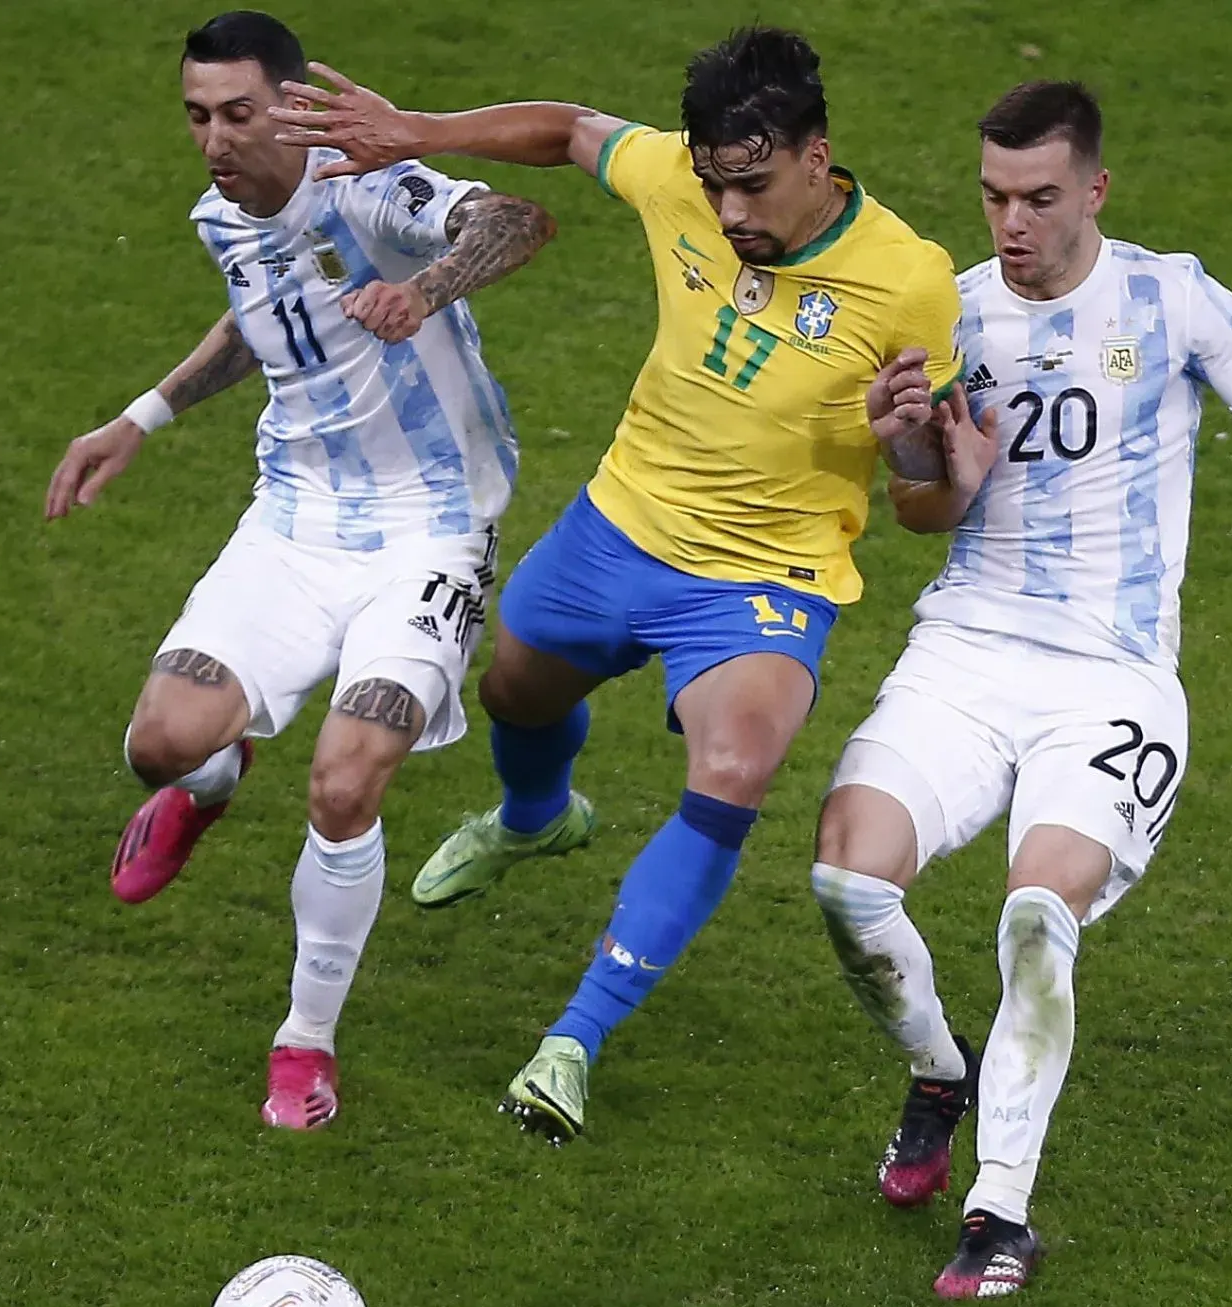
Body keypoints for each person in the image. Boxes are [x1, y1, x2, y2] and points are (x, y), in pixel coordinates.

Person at [813, 80, 1232, 1299]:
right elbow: (923, 511)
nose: (1011, 222)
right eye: (994, 197)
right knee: (846, 883)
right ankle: (937, 1070)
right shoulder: (948, 317)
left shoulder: (1173, 299)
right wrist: (916, 444)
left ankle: (998, 1211)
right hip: (965, 650)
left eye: (1039, 198)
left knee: (1032, 917)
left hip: (1109, 680)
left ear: (1095, 190)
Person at [270, 27, 964, 1142]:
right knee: (513, 691)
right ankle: (537, 818)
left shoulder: (911, 281)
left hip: (762, 577)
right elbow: (571, 131)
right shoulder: (677, 183)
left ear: (817, 155)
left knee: (734, 768)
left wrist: (912, 449)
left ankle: (572, 1040)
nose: (731, 210)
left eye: (753, 182)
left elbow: (934, 509)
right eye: (714, 182)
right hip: (618, 525)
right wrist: (418, 132)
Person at [42, 11, 554, 1131]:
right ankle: (212, 779)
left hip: (431, 528)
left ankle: (302, 1043)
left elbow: (518, 217)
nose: (217, 139)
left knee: (343, 776)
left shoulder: (367, 188)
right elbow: (260, 322)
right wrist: (143, 415)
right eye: (196, 117)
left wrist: (425, 291)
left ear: (285, 101)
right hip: (294, 520)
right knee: (159, 744)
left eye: (237, 113)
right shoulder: (220, 214)